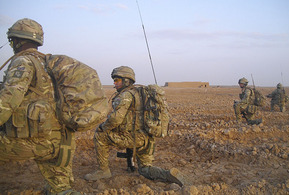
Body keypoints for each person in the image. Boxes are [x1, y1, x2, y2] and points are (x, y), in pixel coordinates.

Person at [0, 18, 82, 195]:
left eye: (13, 40)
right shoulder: (49, 65)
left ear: (17, 40)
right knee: (60, 190)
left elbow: (8, 101)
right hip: (62, 142)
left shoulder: (22, 62)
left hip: (34, 141)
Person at [84, 66, 186, 187]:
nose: (115, 83)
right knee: (144, 169)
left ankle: (103, 171)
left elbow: (116, 119)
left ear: (126, 81)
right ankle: (167, 174)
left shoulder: (125, 95)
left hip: (132, 138)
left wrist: (104, 127)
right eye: (114, 81)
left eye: (117, 80)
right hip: (147, 139)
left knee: (100, 135)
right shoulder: (141, 92)